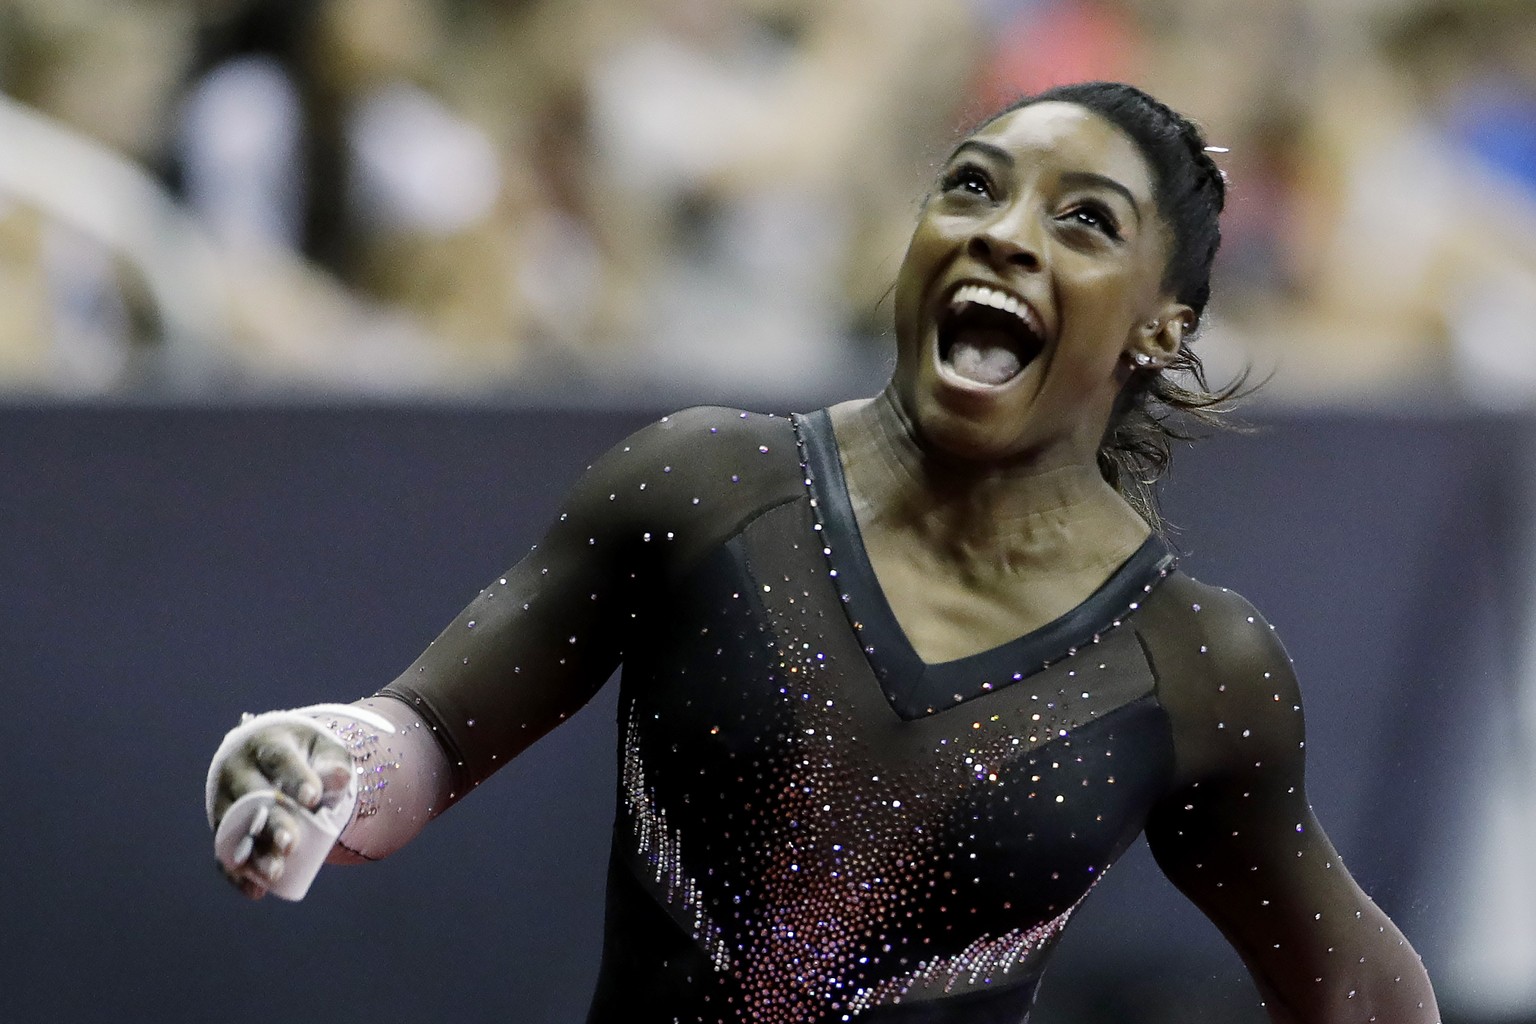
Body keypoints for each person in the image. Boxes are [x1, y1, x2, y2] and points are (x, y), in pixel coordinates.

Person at [206, 82, 1440, 1023]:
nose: (1004, 234)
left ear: (1164, 326)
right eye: (971, 187)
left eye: (1082, 222)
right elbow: (423, 740)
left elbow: (1363, 990)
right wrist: (319, 768)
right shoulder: (703, 487)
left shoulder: (1192, 666)